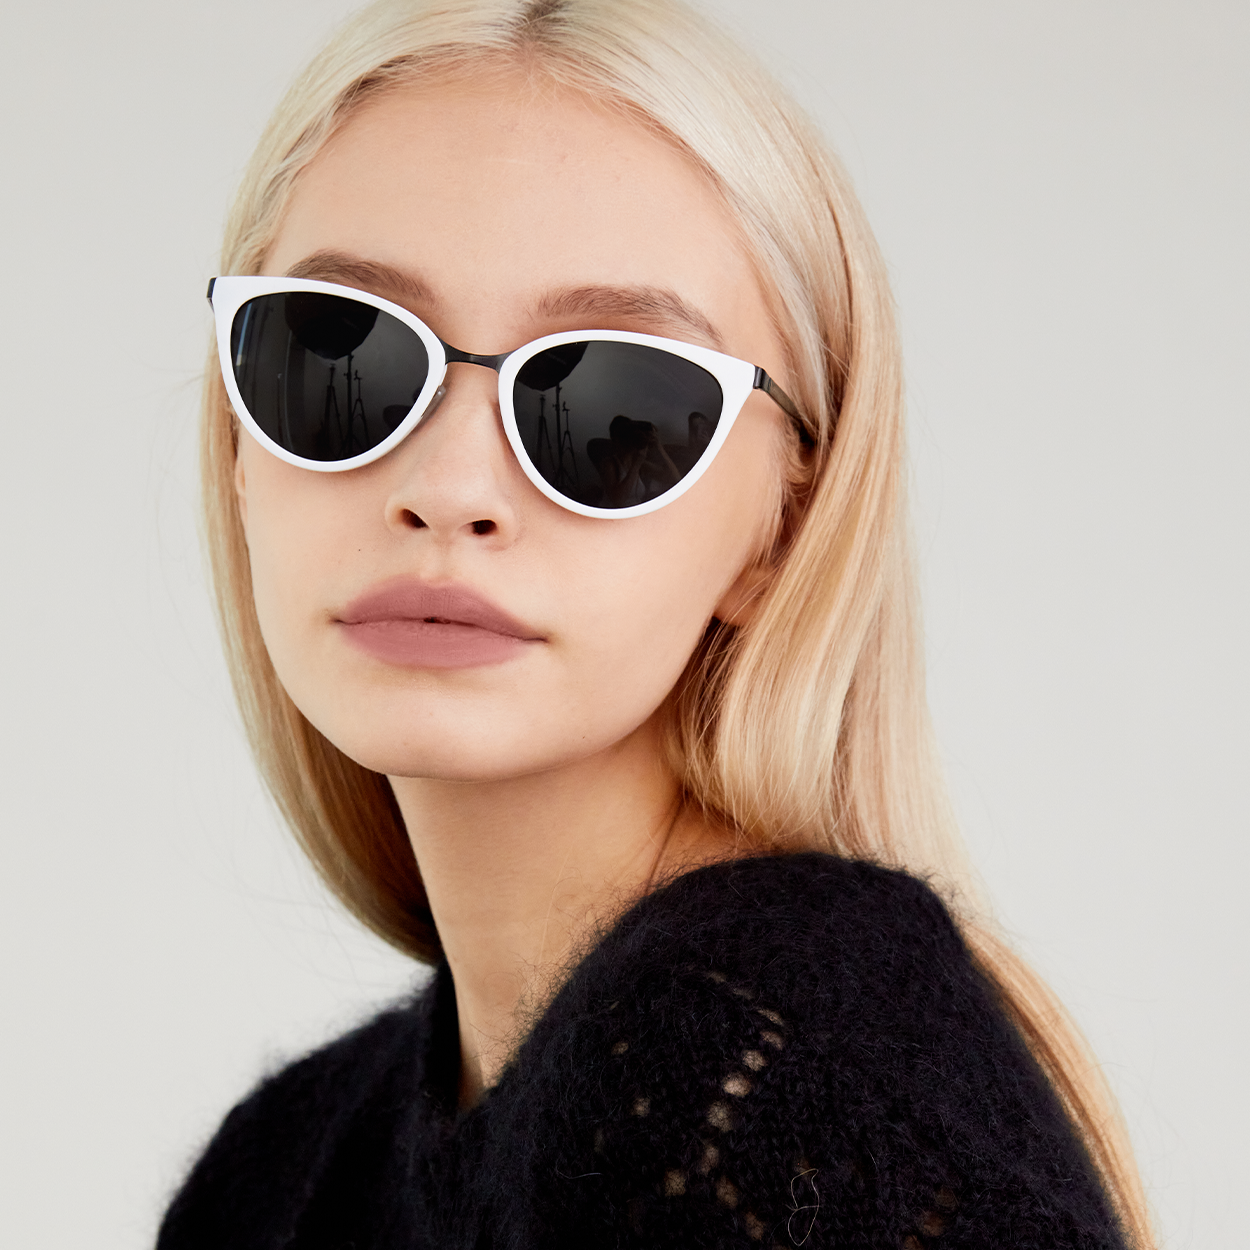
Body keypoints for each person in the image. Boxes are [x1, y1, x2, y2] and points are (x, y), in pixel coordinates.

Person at [158, 1, 1154, 1246]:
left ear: (782, 525)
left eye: (614, 404)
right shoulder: (279, 1171)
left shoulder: (757, 1092)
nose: (448, 488)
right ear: (237, 446)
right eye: (335, 352)